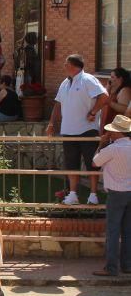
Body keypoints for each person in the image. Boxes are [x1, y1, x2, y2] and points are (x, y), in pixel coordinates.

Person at [46, 54, 109, 205]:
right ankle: (73, 194)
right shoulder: (64, 83)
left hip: (87, 130)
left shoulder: (88, 79)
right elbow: (58, 104)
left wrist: (93, 112)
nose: (64, 66)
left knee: (91, 164)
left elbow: (104, 97)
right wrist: (51, 123)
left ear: (73, 65)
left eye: (66, 63)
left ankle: (93, 195)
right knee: (71, 164)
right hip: (68, 131)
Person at [92, 115, 131, 276]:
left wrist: (101, 144)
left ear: (117, 133)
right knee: (128, 230)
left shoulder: (112, 149)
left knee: (113, 231)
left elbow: (95, 162)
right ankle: (127, 265)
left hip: (116, 192)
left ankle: (111, 267)